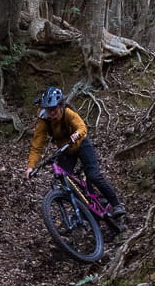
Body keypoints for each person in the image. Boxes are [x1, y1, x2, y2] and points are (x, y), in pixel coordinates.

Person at [24, 86, 126, 217]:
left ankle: (116, 204)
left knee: (93, 175)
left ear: (60, 106)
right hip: (65, 150)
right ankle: (84, 210)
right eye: (49, 111)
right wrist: (30, 167)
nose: (52, 114)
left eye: (54, 110)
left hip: (81, 144)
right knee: (65, 182)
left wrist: (77, 134)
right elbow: (37, 145)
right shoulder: (44, 121)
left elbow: (81, 126)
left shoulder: (68, 113)